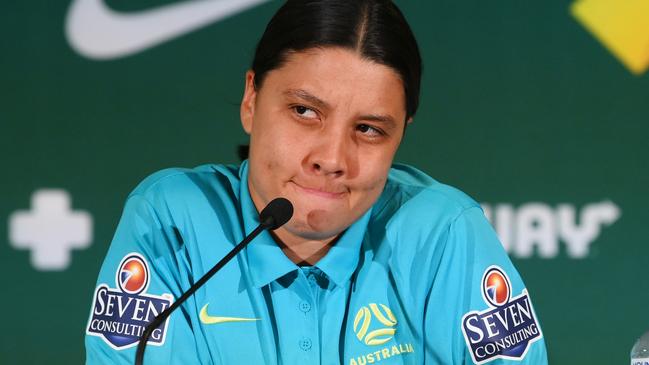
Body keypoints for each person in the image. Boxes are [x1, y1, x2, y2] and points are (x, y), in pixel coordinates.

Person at [85, 1, 548, 364]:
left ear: (401, 134)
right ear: (251, 100)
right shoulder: (172, 219)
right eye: (305, 112)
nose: (331, 159)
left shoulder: (443, 232)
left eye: (369, 129)